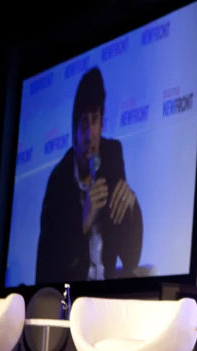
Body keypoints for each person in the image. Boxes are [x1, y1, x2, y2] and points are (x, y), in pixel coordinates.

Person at [35, 66, 142, 284]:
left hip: (106, 300)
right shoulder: (59, 181)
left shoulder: (112, 157)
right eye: (83, 122)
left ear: (102, 124)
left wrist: (132, 209)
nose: (89, 133)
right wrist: (82, 222)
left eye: (95, 120)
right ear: (74, 132)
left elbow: (130, 260)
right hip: (72, 300)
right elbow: (46, 272)